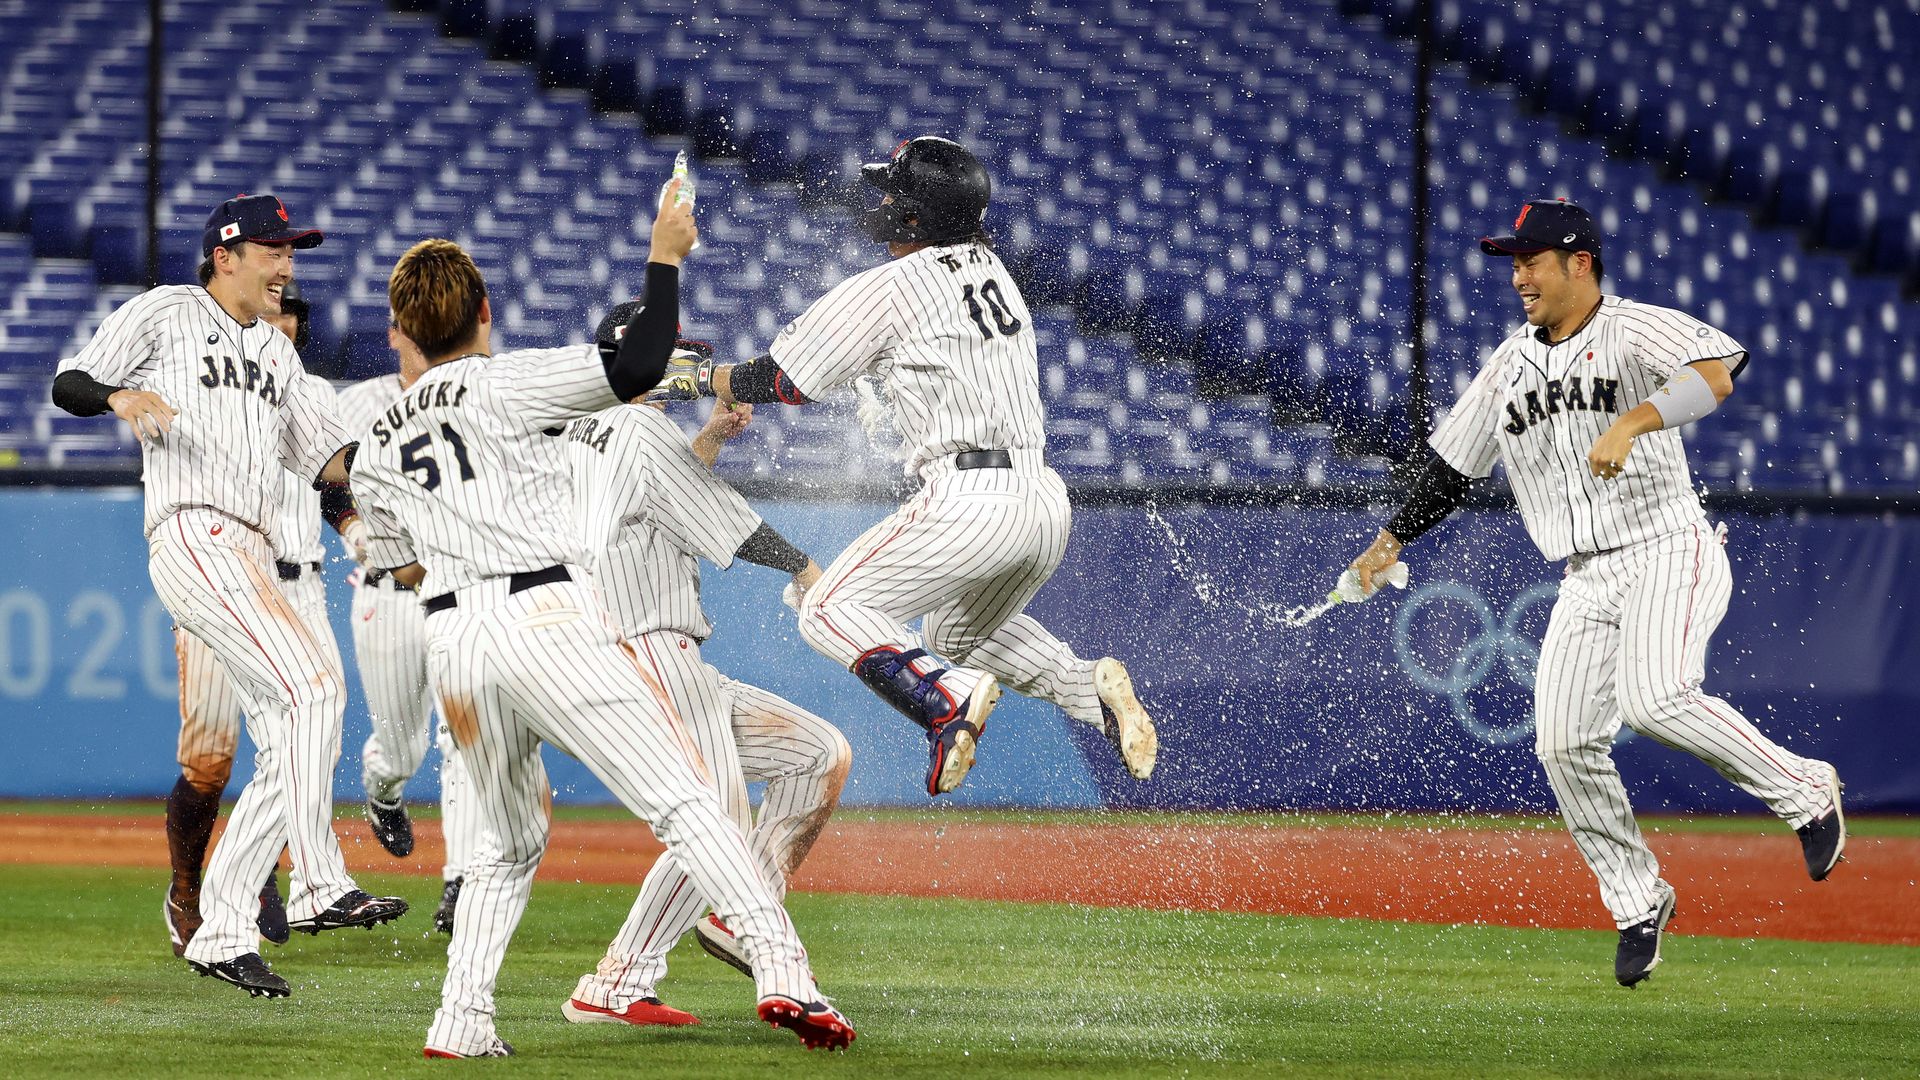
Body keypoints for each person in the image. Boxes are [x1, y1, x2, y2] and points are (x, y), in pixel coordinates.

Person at [346, 181, 853, 1057]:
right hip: (544, 613)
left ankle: (461, 1022)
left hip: (453, 641)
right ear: (483, 313)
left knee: (505, 847)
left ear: (404, 332)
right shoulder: (506, 382)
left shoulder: (382, 437)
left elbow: (395, 556)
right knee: (691, 801)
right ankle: (783, 969)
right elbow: (635, 363)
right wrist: (665, 254)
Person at [1343, 198, 1846, 988]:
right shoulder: (1510, 363)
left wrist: (1635, 421)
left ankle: (1806, 789)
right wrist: (1393, 537)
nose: (1518, 277)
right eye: (1513, 262)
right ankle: (1638, 899)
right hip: (1584, 574)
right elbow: (1454, 468)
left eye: (1531, 260)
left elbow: (1717, 375)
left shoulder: (1634, 327)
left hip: (1668, 547)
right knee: (1563, 742)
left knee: (1656, 699)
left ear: (1580, 262)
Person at [653, 135, 1157, 797]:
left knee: (828, 606)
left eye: (893, 191)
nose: (882, 199)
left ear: (914, 217)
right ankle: (1086, 689)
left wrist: (690, 379)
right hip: (1042, 503)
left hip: (972, 498)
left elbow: (782, 380)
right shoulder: (994, 272)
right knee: (949, 630)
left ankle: (947, 701)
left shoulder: (897, 285)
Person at [52, 195, 408, 999]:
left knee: (298, 727)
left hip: (249, 547)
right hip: (194, 531)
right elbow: (69, 381)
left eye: (293, 251)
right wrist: (119, 398)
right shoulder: (170, 312)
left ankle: (224, 927)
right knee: (314, 690)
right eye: (276, 250)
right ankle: (276, 894)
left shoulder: (281, 360)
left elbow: (330, 464)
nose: (289, 264)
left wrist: (384, 496)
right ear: (228, 253)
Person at [561, 321, 851, 1026]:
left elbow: (652, 508)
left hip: (630, 651)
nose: (685, 360)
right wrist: (809, 570)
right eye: (667, 347)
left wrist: (712, 440)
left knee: (818, 753)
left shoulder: (585, 429)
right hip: (648, 647)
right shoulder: (637, 432)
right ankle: (623, 977)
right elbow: (729, 522)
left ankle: (702, 933)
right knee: (716, 823)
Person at [164, 280, 334, 955]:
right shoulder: (207, 383)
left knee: (296, 732)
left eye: (292, 313)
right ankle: (185, 889)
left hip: (293, 584)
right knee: (209, 761)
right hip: (218, 574)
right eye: (276, 308)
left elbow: (334, 476)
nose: (281, 320)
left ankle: (253, 874)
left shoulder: (312, 398)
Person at [335, 323, 480, 934]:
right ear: (395, 330)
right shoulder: (357, 403)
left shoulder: (477, 394)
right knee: (403, 747)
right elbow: (324, 482)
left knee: (466, 741)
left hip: (460, 588)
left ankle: (462, 881)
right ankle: (384, 790)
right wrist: (349, 528)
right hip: (388, 593)